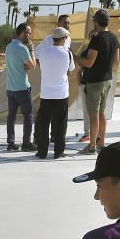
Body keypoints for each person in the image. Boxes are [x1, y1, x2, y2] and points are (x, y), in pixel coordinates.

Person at [76, 9, 120, 154]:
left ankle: (92, 146)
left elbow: (88, 63)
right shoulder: (114, 38)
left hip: (95, 82)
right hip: (107, 80)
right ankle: (102, 144)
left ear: (96, 22)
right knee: (101, 113)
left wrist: (75, 57)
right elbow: (117, 62)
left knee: (93, 115)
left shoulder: (97, 39)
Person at [35, 27, 75, 159]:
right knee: (60, 124)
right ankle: (58, 152)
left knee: (43, 124)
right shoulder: (67, 53)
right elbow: (70, 71)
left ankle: (42, 152)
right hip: (61, 93)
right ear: (63, 39)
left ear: (53, 38)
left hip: (46, 93)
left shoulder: (44, 52)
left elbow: (39, 62)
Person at [5, 22, 37, 152]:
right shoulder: (23, 48)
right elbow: (33, 66)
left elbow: (22, 65)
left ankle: (11, 142)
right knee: (28, 115)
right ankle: (26, 143)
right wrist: (32, 50)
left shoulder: (8, 47)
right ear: (23, 33)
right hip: (22, 88)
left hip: (11, 88)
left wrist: (25, 65)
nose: (30, 35)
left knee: (11, 116)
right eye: (28, 32)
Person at [76, 29, 95, 143]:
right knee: (86, 110)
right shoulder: (85, 53)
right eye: (92, 36)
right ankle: (87, 133)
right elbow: (79, 71)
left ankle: (96, 134)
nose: (94, 39)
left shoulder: (102, 53)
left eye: (96, 36)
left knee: (96, 111)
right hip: (85, 85)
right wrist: (80, 85)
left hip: (98, 85)